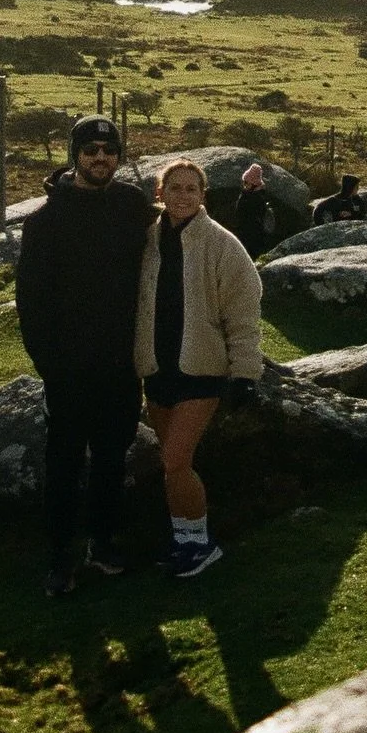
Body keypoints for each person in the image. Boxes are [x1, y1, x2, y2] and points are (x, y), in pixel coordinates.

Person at [15, 115, 153, 597]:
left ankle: (104, 543)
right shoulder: (45, 222)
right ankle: (58, 558)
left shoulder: (132, 207)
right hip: (67, 367)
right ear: (74, 154)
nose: (100, 159)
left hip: (121, 363)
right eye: (91, 150)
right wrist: (49, 365)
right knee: (65, 461)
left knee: (113, 456)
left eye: (109, 151)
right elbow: (30, 301)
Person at [136, 158, 264, 579]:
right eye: (175, 188)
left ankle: (201, 545)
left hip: (201, 370)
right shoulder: (149, 241)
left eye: (192, 189)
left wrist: (245, 373)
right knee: (171, 464)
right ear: (161, 193)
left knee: (176, 460)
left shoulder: (222, 245)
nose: (184, 195)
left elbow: (243, 314)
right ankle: (183, 542)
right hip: (158, 369)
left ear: (203, 195)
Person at [232, 161, 276, 260]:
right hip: (249, 234)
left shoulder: (256, 198)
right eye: (244, 182)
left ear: (254, 184)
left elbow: (246, 216)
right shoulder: (252, 195)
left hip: (252, 236)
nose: (244, 184)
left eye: (246, 182)